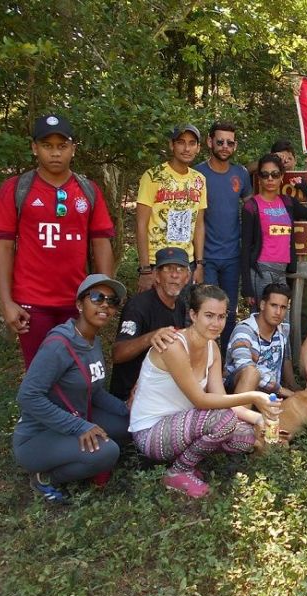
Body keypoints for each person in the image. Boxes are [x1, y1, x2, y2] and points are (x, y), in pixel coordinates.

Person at [0, 114, 115, 368]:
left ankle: (77, 410)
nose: (55, 153)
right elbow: (3, 247)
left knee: (79, 371)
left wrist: (103, 295)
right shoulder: (16, 188)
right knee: (40, 374)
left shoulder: (87, 190)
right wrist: (6, 302)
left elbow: (101, 242)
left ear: (73, 149)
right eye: (47, 146)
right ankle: (37, 410)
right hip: (32, 304)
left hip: (78, 301)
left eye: (62, 146)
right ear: (35, 148)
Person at [129, 285, 272, 498]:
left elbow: (221, 398)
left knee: (247, 438)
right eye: (209, 315)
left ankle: (185, 460)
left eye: (222, 316)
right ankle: (177, 472)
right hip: (150, 432)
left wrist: (259, 418)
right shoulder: (174, 346)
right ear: (193, 315)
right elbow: (200, 400)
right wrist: (253, 396)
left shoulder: (212, 347)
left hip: (183, 425)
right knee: (224, 420)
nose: (216, 323)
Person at [14, 274, 129, 503]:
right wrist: (79, 426)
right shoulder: (59, 345)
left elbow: (94, 392)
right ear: (79, 304)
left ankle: (80, 455)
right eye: (97, 297)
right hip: (38, 436)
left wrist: (126, 408)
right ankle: (45, 476)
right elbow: (28, 396)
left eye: (112, 301)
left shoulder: (92, 340)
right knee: (108, 452)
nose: (105, 304)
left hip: (76, 417)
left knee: (130, 424)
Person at [240, 153, 307, 311]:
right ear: (259, 178)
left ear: (282, 176)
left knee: (281, 322)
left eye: (275, 174)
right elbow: (245, 247)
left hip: (282, 272)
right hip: (260, 271)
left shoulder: (287, 203)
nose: (270, 179)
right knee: (262, 319)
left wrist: (304, 187)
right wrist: (246, 288)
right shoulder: (251, 206)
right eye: (265, 175)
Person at [194, 121, 252, 348]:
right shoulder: (198, 174)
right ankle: (206, 360)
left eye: (230, 143)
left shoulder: (241, 174)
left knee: (228, 310)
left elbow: (250, 211)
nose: (225, 146)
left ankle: (226, 364)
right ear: (210, 142)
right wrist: (197, 262)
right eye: (220, 142)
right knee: (207, 311)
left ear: (235, 146)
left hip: (233, 256)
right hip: (206, 257)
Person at [109, 247, 189, 402]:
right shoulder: (138, 306)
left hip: (161, 391)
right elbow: (117, 354)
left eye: (180, 269)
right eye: (167, 269)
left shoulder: (180, 305)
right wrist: (150, 337)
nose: (174, 275)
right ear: (156, 276)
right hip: (130, 397)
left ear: (187, 277)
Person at [135, 124, 207, 292]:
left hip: (185, 261)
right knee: (155, 314)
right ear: (171, 145)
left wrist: (199, 264)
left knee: (183, 314)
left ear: (198, 148)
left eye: (192, 143)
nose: (186, 148)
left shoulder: (199, 180)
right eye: (181, 142)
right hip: (157, 261)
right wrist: (145, 269)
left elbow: (199, 224)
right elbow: (140, 224)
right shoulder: (153, 176)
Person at [271, 138, 307, 340]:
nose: (285, 162)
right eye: (280, 158)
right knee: (276, 302)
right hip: (272, 256)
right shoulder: (264, 178)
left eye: (289, 158)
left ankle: (303, 347)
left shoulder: (297, 184)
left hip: (299, 252)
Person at [225, 283, 299, 396]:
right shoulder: (244, 331)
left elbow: (286, 361)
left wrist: (295, 389)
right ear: (263, 305)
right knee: (250, 373)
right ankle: (237, 414)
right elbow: (245, 368)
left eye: (283, 307)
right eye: (273, 305)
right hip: (238, 392)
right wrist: (283, 391)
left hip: (270, 394)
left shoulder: (282, 330)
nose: (278, 312)